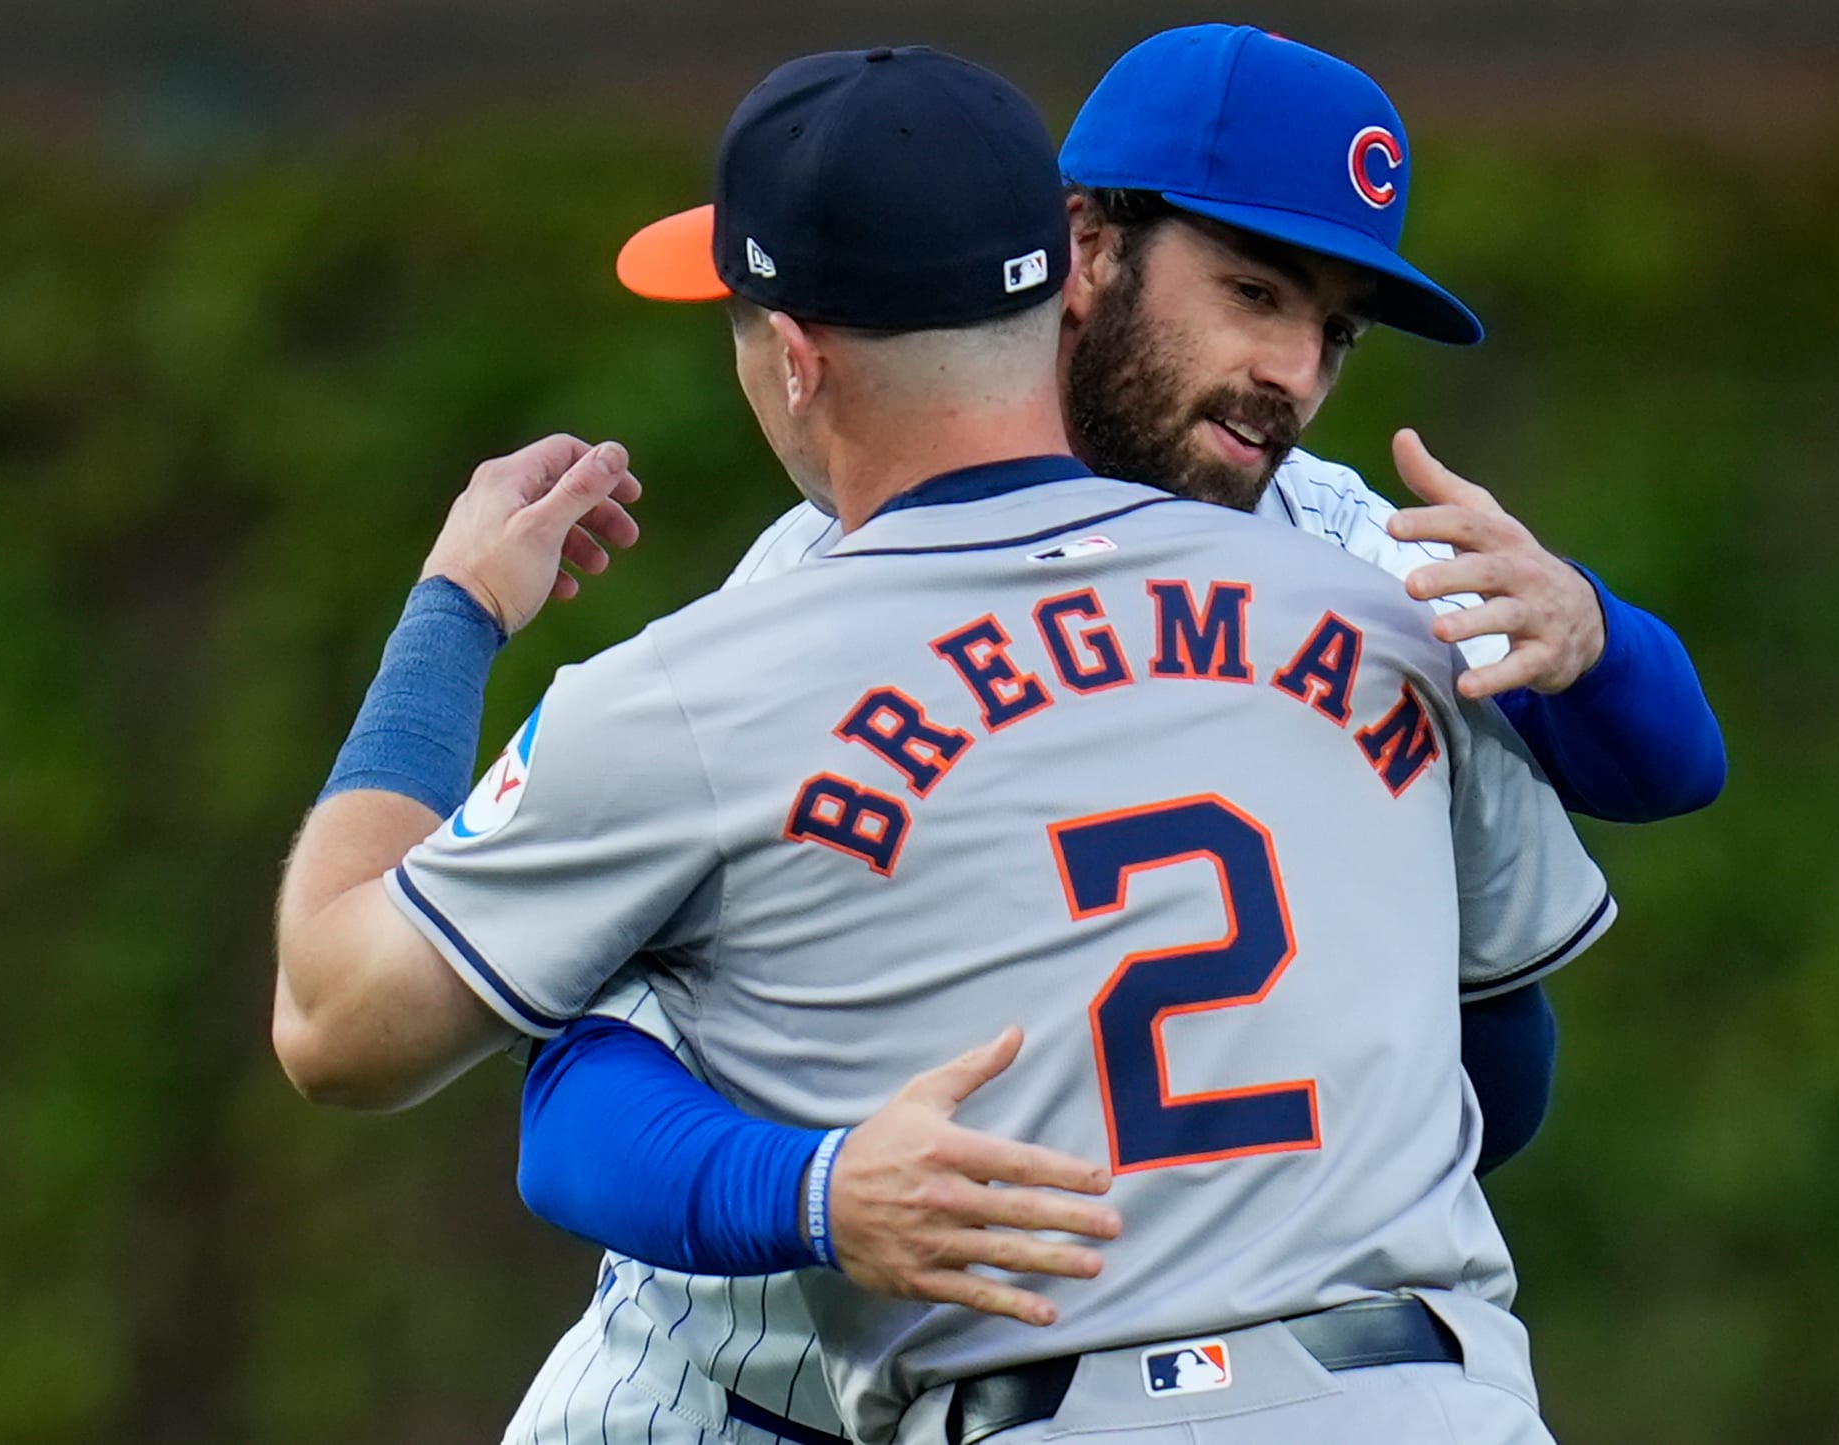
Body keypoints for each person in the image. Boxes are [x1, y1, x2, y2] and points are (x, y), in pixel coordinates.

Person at [274, 44, 1608, 1445]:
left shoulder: (707, 684)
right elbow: (1504, 1048)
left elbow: (336, 1022)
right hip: (1431, 1396)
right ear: (1065, 290)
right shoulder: (1379, 604)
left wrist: (455, 613)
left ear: (796, 360)